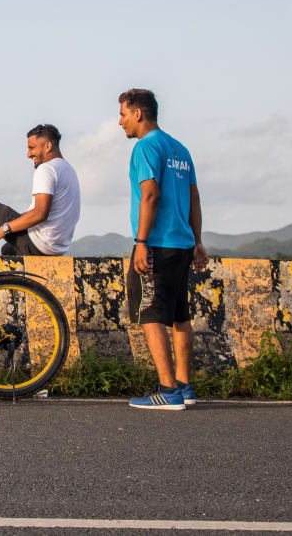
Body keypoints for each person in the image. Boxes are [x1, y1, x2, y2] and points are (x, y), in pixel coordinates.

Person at [117, 89, 208, 410]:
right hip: (182, 244)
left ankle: (168, 391)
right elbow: (194, 198)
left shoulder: (145, 147)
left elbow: (150, 194)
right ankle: (184, 386)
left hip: (156, 243)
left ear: (139, 114)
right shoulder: (180, 149)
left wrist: (141, 242)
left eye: (123, 114)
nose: (120, 122)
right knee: (180, 315)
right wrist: (197, 241)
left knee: (150, 314)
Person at [0, 124, 81, 256]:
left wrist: (2, 229)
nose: (28, 155)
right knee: (7, 250)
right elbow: (39, 212)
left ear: (47, 146)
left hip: (38, 244)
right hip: (55, 248)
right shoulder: (69, 170)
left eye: (32, 148)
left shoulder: (46, 169)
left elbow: (40, 213)